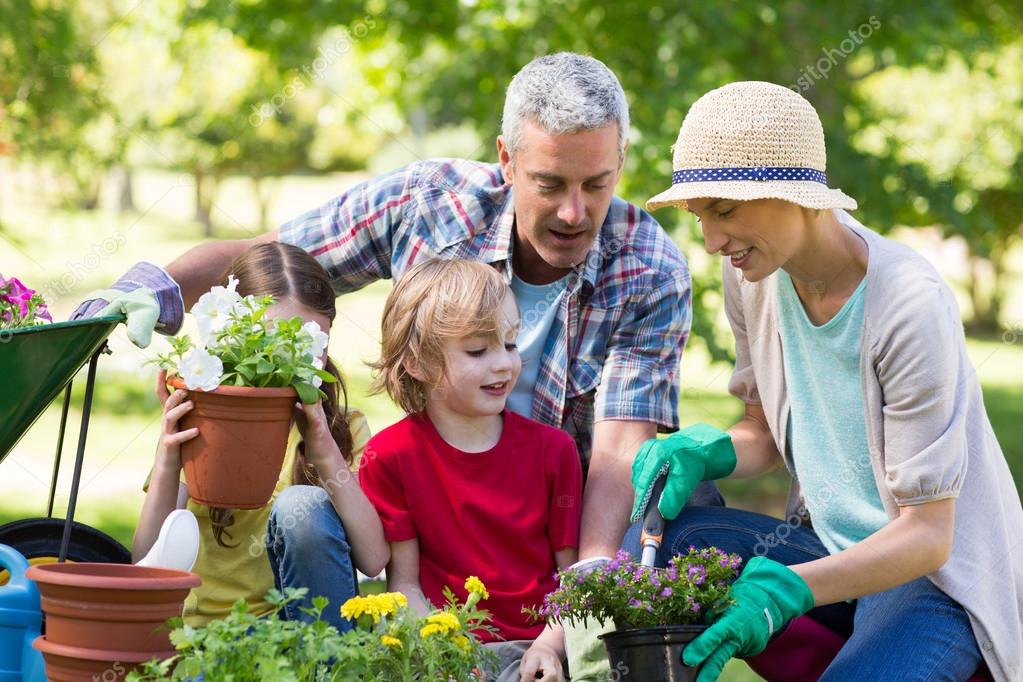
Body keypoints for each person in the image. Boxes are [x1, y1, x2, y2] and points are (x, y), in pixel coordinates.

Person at [75, 52, 720, 673]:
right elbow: (274, 259)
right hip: (430, 522)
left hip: (557, 533)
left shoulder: (649, 268)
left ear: (620, 162)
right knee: (302, 512)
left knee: (679, 527)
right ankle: (331, 668)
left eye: (596, 184)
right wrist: (156, 286)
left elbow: (614, 459)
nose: (574, 212)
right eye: (550, 184)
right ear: (506, 159)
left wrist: (571, 611)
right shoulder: (431, 203)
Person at [624, 81, 1023, 681]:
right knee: (668, 544)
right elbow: (762, 430)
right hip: (826, 550)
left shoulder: (907, 304)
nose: (710, 242)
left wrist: (786, 590)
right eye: (700, 215)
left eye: (725, 211)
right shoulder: (752, 276)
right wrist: (706, 453)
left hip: (927, 578)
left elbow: (929, 535)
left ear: (797, 195)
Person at [132, 242, 389, 630]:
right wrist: (170, 460)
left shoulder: (343, 426)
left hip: (310, 634)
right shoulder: (205, 421)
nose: (292, 361)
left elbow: (373, 559)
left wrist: (324, 453)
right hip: (214, 639)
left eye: (308, 345)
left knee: (300, 503)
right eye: (275, 342)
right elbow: (145, 560)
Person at [357, 258, 582, 682]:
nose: (503, 364)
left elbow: (571, 579)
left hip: (534, 650)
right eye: (478, 350)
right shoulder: (390, 455)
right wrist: (440, 650)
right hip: (445, 651)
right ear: (417, 363)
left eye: (511, 345)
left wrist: (549, 649)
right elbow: (404, 584)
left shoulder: (554, 451)